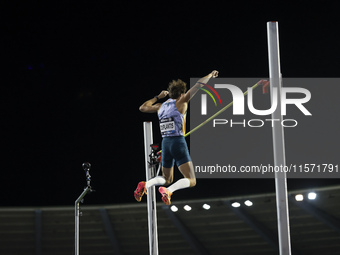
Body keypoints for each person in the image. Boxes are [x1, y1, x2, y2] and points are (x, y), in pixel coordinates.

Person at [134, 70, 219, 205]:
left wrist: (158, 96)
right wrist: (210, 75)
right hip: (178, 142)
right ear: (181, 94)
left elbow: (142, 108)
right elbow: (198, 85)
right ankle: (169, 191)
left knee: (167, 178)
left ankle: (146, 184)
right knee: (192, 180)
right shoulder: (182, 101)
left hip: (165, 144)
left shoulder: (160, 107)